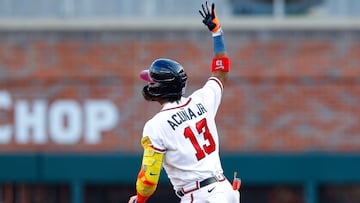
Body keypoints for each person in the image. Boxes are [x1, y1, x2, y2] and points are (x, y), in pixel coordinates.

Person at [128, 1, 240, 203]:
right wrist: (217, 33)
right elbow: (221, 71)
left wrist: (140, 199)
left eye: (151, 81)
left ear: (158, 88)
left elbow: (149, 179)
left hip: (198, 196)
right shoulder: (202, 100)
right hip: (225, 191)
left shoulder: (156, 125)